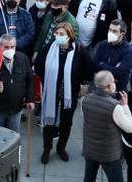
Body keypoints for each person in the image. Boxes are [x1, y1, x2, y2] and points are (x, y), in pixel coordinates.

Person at [34, 21, 91, 163]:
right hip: (51, 91)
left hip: (69, 93)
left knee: (66, 122)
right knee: (49, 121)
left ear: (69, 36)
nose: (58, 36)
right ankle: (47, 149)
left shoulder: (79, 51)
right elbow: (38, 65)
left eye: (61, 34)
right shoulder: (49, 48)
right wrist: (46, 80)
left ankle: (61, 148)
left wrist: (83, 84)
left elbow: (89, 68)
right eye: (56, 33)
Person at [80, 70, 132, 182]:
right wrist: (125, 106)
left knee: (89, 178)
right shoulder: (115, 107)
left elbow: (87, 118)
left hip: (90, 149)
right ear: (110, 86)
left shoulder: (84, 100)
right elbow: (130, 128)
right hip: (109, 154)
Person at [0, 33, 34, 132]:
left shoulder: (22, 58)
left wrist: (30, 99)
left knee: (12, 140)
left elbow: (29, 79)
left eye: (12, 47)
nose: (10, 50)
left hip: (15, 110)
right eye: (6, 47)